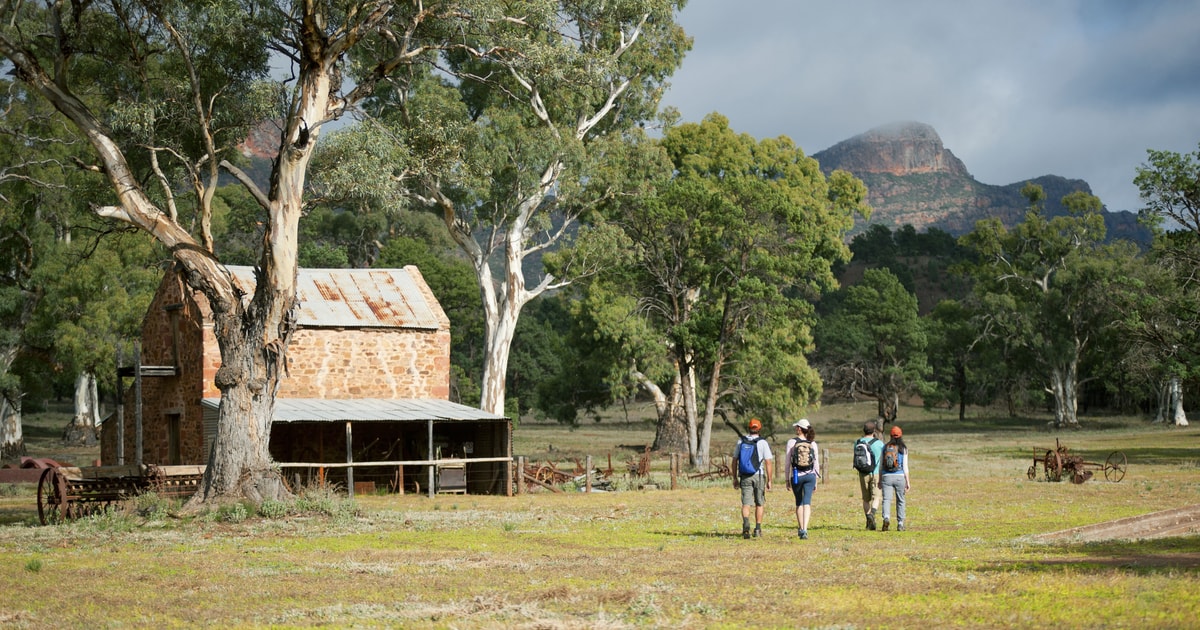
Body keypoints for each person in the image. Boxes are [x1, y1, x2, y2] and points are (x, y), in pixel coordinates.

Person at [732, 418, 773, 538]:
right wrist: (769, 480)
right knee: (759, 503)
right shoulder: (763, 443)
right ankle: (757, 529)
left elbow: (734, 460)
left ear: (749, 428)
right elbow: (768, 462)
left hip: (745, 476)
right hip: (758, 475)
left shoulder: (741, 441)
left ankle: (746, 525)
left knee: (746, 503)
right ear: (759, 429)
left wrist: (734, 478)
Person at [784, 418, 820, 539]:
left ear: (799, 429)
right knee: (807, 502)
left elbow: (787, 462)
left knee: (799, 502)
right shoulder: (812, 443)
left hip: (796, 476)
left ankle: (800, 529)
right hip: (810, 476)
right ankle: (805, 528)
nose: (795, 428)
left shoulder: (791, 442)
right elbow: (816, 463)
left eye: (796, 427)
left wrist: (787, 479)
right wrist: (816, 479)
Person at [877, 425, 911, 532]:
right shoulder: (903, 448)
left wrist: (880, 480)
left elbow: (881, 466)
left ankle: (886, 517)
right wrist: (908, 481)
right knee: (900, 500)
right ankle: (900, 523)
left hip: (886, 476)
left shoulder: (885, 447)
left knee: (886, 499)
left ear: (890, 435)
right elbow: (905, 466)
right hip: (900, 477)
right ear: (901, 436)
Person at [854, 420, 885, 530]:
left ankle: (868, 521)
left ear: (864, 430)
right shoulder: (879, 444)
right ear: (874, 431)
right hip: (876, 473)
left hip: (863, 473)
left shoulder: (858, 442)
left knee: (866, 499)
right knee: (876, 497)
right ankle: (872, 514)